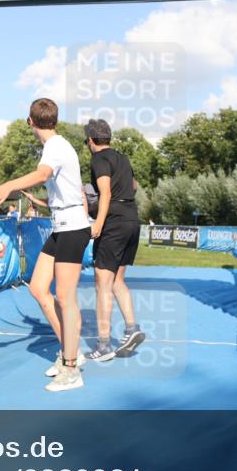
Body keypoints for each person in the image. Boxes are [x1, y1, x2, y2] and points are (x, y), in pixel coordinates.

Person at [0, 98, 90, 392]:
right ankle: (69, 351)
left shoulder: (56, 147)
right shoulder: (56, 146)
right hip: (62, 228)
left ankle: (72, 369)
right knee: (38, 288)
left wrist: (9, 185)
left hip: (72, 229)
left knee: (66, 299)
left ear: (30, 121)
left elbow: (43, 174)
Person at [83, 119, 145, 361]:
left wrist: (97, 222)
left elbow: (105, 192)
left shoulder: (99, 159)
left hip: (114, 222)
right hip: (132, 219)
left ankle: (103, 345)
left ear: (90, 140)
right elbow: (134, 185)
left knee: (102, 282)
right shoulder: (123, 158)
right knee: (118, 279)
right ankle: (132, 329)